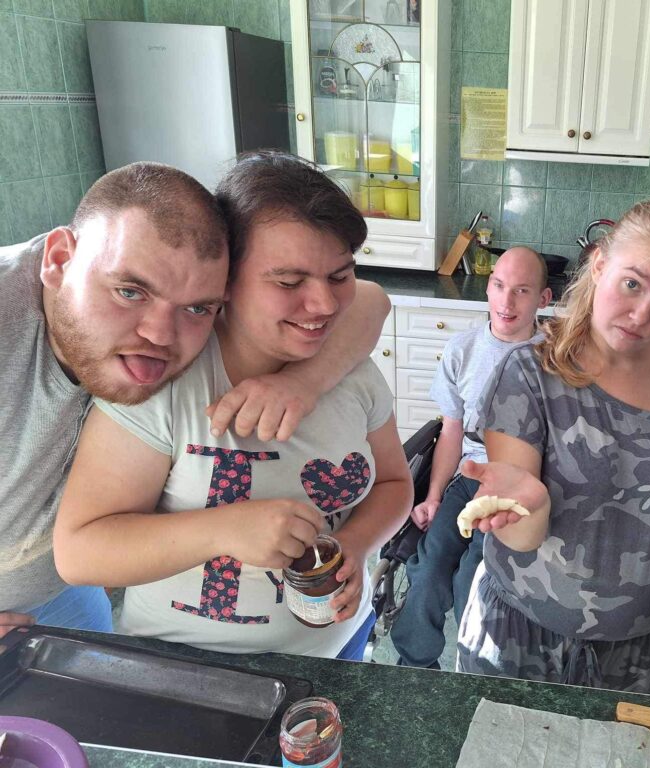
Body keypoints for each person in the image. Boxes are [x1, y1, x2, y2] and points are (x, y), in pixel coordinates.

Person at [53, 152, 412, 660]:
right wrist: (225, 530)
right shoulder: (164, 379)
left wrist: (354, 542)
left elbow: (395, 483)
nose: (325, 305)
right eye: (288, 282)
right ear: (224, 283)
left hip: (338, 649)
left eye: (339, 276)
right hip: (188, 666)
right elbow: (80, 553)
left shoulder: (351, 368)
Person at [454, 200, 650, 694]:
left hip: (638, 654)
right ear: (600, 264)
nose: (643, 315)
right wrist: (527, 504)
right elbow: (519, 539)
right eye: (633, 284)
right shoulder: (530, 374)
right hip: (521, 637)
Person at [390, 247, 552, 668]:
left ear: (544, 299)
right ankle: (414, 668)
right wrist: (433, 497)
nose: (506, 301)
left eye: (521, 291)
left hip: (517, 489)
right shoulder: (462, 350)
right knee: (428, 570)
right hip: (467, 478)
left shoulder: (555, 358)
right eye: (498, 286)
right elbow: (451, 432)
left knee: (472, 579)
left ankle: (471, 673)